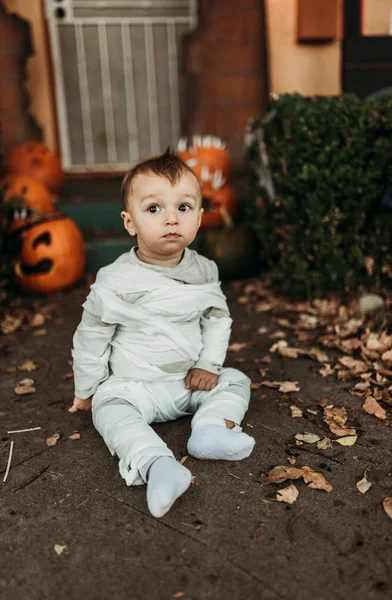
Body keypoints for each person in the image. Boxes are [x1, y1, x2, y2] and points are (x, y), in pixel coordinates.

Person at [69, 148, 255, 518]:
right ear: (130, 222)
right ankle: (157, 465)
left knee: (235, 380)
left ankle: (210, 430)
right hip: (134, 386)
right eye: (154, 209)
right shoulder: (115, 279)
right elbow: (91, 335)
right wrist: (87, 389)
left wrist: (209, 364)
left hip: (189, 382)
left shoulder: (204, 270)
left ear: (200, 218)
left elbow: (218, 319)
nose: (171, 219)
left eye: (183, 208)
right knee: (108, 407)